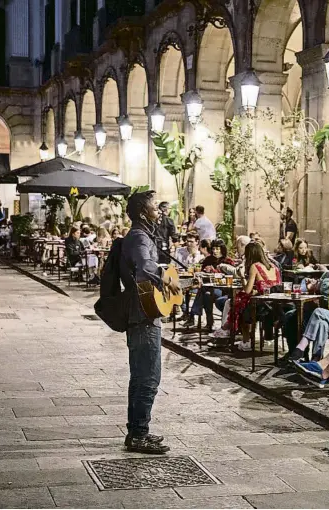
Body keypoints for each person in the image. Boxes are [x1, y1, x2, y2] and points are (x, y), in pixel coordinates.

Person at [120, 190, 181, 455]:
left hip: (141, 313)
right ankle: (138, 435)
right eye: (155, 207)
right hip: (144, 316)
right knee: (149, 377)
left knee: (140, 376)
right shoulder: (140, 237)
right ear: (144, 212)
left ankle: (137, 430)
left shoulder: (139, 236)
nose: (159, 210)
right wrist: (168, 282)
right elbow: (145, 268)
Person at [282, 247, 329, 362]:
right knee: (290, 315)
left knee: (314, 319)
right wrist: (311, 287)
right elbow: (316, 289)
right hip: (317, 309)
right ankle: (298, 355)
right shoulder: (327, 274)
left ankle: (305, 354)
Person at [229, 242, 280, 351]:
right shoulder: (274, 267)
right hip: (276, 304)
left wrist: (242, 277)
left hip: (262, 306)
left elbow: (247, 290)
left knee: (239, 306)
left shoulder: (255, 266)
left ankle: (247, 341)